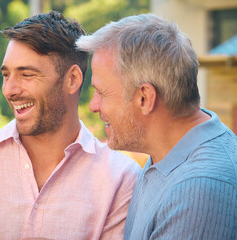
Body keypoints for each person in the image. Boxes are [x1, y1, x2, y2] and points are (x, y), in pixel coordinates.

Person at [0, 11, 141, 240]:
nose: (10, 90)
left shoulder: (120, 178)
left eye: (27, 75)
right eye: (6, 75)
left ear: (72, 79)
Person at [76, 13, 237, 240]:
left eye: (101, 93)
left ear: (144, 98)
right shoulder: (167, 156)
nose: (93, 105)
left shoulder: (197, 190)